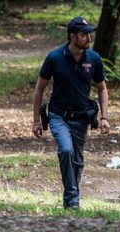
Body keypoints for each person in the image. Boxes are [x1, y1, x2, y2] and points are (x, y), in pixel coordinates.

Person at [32, 17, 110, 209]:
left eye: (89, 34)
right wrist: (36, 120)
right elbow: (39, 89)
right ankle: (72, 199)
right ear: (72, 36)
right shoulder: (54, 58)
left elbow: (102, 88)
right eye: (84, 35)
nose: (88, 38)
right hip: (58, 115)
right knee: (65, 150)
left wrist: (104, 117)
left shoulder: (94, 59)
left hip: (82, 117)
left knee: (77, 160)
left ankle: (72, 195)